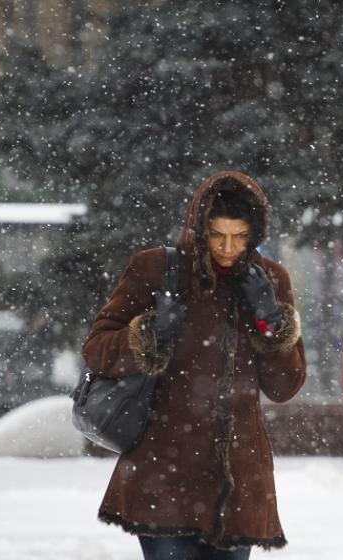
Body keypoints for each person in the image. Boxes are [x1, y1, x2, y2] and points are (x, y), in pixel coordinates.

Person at [82, 171, 306, 558]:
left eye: (240, 236)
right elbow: (96, 348)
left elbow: (284, 387)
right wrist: (150, 333)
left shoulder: (269, 279)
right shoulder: (156, 269)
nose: (228, 247)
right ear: (199, 227)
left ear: (255, 233)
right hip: (164, 470)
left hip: (238, 482)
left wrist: (271, 321)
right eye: (218, 235)